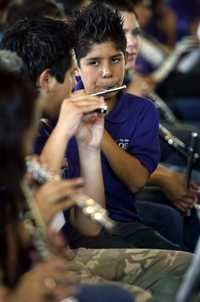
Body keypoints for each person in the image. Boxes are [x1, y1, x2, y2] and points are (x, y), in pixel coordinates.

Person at [0, 15, 195, 302]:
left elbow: (88, 226)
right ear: (46, 81)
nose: (76, 82)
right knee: (132, 297)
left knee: (187, 267)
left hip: (67, 252)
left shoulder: (40, 127)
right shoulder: (22, 133)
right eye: (71, 75)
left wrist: (89, 145)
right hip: (31, 272)